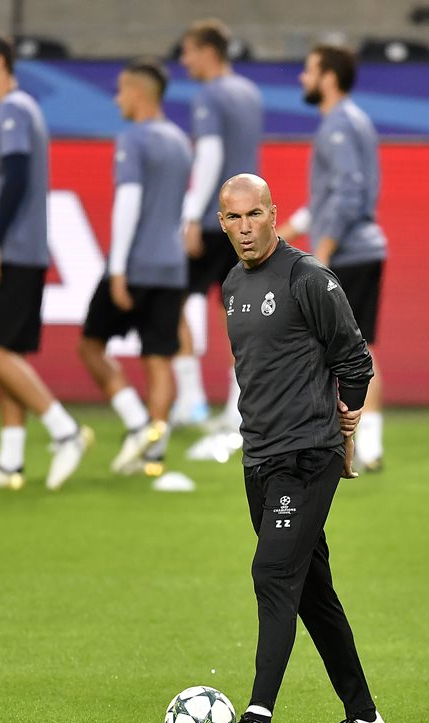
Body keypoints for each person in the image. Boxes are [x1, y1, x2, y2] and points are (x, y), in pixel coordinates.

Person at [214, 174, 385, 723]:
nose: (245, 228)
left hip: (306, 456)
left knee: (272, 575)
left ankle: (257, 719)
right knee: (311, 588)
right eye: (233, 219)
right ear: (222, 224)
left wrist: (347, 420)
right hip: (258, 458)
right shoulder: (232, 285)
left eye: (254, 215)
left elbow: (355, 358)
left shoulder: (308, 278)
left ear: (274, 214)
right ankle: (363, 715)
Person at [0, 32, 91, 491]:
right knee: (5, 352)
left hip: (12, 251)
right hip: (18, 249)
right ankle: (10, 462)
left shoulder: (12, 108)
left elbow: (14, 179)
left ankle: (65, 430)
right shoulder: (21, 109)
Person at [76, 58, 192, 476]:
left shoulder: (133, 139)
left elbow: (128, 204)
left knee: (90, 345)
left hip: (136, 263)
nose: (117, 98)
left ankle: (137, 422)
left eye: (122, 90)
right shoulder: (181, 141)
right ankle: (154, 453)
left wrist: (119, 269)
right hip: (172, 265)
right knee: (158, 357)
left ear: (140, 93)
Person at [278, 44, 389, 472]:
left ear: (328, 77)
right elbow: (327, 198)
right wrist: (288, 231)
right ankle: (369, 444)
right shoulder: (349, 121)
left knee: (348, 351)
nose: (302, 78)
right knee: (360, 348)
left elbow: (345, 194)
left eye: (308, 70)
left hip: (349, 252)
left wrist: (321, 250)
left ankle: (360, 444)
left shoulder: (338, 125)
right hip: (361, 248)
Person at [173, 18, 264, 438]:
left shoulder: (210, 96)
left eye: (189, 50)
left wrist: (192, 214)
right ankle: (238, 409)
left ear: (208, 51)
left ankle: (191, 401)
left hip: (217, 218)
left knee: (175, 303)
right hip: (248, 217)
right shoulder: (249, 93)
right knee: (239, 310)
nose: (184, 59)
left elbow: (209, 155)